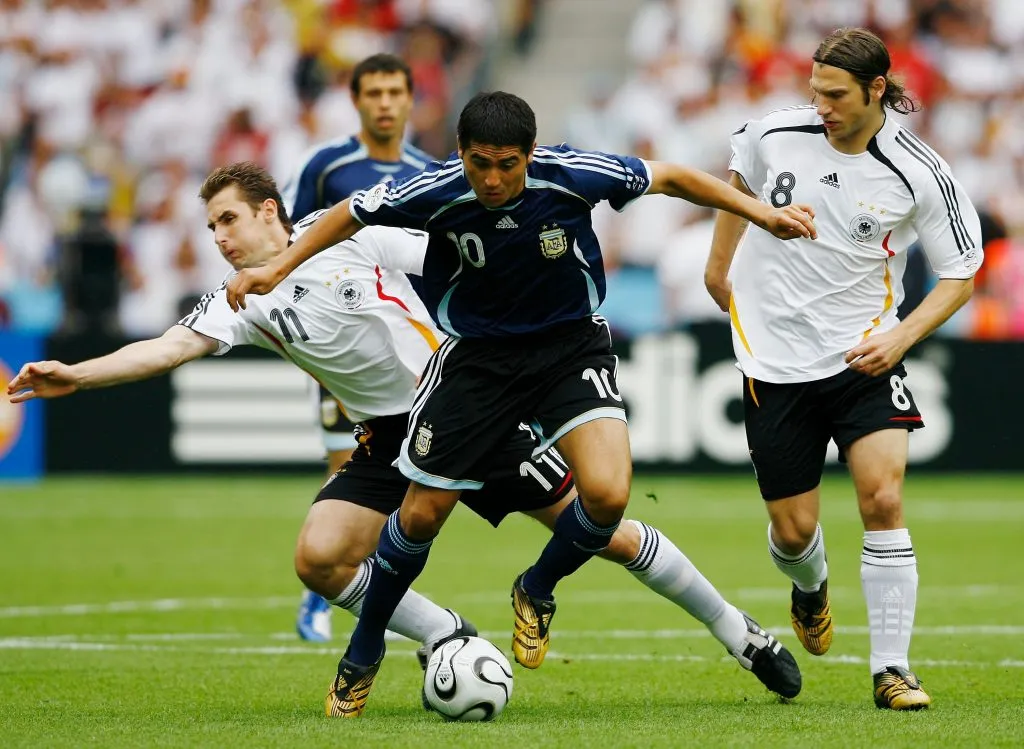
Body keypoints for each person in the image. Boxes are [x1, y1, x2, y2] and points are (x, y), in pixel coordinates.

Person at [7, 161, 802, 713]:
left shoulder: (352, 237)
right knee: (320, 557)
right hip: (389, 439)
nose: (218, 236)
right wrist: (76, 374)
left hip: (468, 410)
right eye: (211, 224)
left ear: (270, 213)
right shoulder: (239, 298)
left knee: (608, 531)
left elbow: (458, 252)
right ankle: (443, 632)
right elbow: (168, 347)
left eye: (228, 219)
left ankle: (740, 632)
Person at [225, 93, 816, 717]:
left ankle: (538, 587)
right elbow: (351, 211)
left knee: (608, 497)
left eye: (507, 164)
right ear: (461, 154)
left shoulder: (571, 174)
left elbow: (669, 177)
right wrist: (278, 269)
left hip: (569, 349)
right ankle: (363, 652)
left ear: (530, 154)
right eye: (480, 163)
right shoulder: (437, 190)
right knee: (420, 516)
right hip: (477, 365)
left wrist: (762, 213)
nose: (492, 179)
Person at [703, 28, 984, 711]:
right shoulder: (773, 132)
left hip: (864, 355)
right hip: (774, 359)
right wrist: (717, 268)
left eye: (834, 95)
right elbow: (739, 185)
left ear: (876, 89)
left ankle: (893, 670)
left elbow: (960, 274)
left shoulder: (919, 170)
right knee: (793, 532)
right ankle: (811, 586)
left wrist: (902, 337)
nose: (820, 106)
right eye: (814, 92)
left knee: (883, 499)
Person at [282, 52, 434, 644]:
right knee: (347, 464)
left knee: (410, 483)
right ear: (356, 100)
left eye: (395, 92)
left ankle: (372, 589)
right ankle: (319, 597)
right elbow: (288, 243)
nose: (385, 103)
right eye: (374, 93)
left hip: (410, 351)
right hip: (341, 349)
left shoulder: (429, 170)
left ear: (410, 99)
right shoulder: (326, 166)